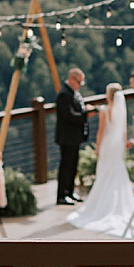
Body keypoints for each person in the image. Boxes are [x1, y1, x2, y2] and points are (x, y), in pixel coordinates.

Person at [72, 83, 134, 235]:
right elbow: (123, 131)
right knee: (117, 172)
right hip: (117, 145)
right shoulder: (121, 111)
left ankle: (102, 204)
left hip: (108, 144)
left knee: (105, 173)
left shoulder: (104, 110)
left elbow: (101, 131)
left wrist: (97, 148)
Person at [53, 68, 88, 206]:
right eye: (79, 82)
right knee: (66, 166)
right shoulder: (64, 94)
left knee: (73, 165)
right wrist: (85, 116)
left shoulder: (73, 93)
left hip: (74, 137)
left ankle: (70, 191)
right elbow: (68, 115)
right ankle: (62, 194)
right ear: (72, 79)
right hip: (67, 137)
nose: (80, 85)